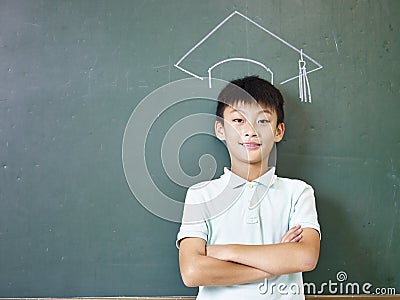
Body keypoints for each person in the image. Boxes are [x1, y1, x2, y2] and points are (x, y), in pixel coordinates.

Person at [176, 75, 321, 299]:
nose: (250, 130)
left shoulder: (298, 193)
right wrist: (278, 261)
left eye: (263, 121)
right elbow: (193, 271)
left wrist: (225, 251)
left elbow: (305, 258)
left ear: (278, 131)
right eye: (238, 120)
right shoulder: (201, 195)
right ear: (220, 129)